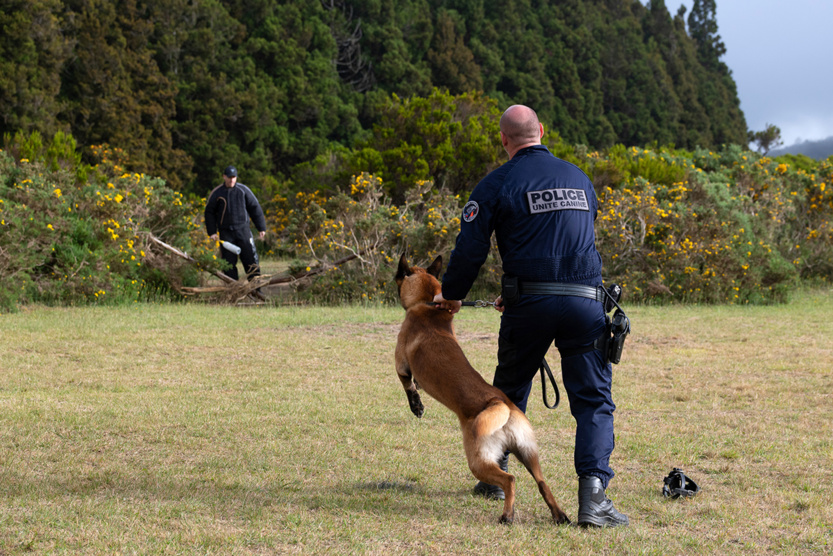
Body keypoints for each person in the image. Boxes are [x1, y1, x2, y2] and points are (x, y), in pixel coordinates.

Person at [433, 105, 628, 528]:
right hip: (585, 302)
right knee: (593, 401)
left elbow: (470, 251)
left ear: (504, 141)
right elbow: (576, 236)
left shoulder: (496, 183)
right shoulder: (579, 177)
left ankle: (493, 474)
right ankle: (594, 498)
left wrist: (451, 297)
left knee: (506, 392)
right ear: (541, 130)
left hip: (529, 306)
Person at [204, 165, 267, 281]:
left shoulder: (243, 190)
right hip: (226, 234)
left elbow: (255, 208)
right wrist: (212, 232)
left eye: (234, 177)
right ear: (224, 177)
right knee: (228, 265)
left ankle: (257, 288)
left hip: (243, 231)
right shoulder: (217, 193)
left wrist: (261, 227)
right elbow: (209, 213)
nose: (232, 180)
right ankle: (232, 290)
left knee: (251, 261)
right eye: (229, 177)